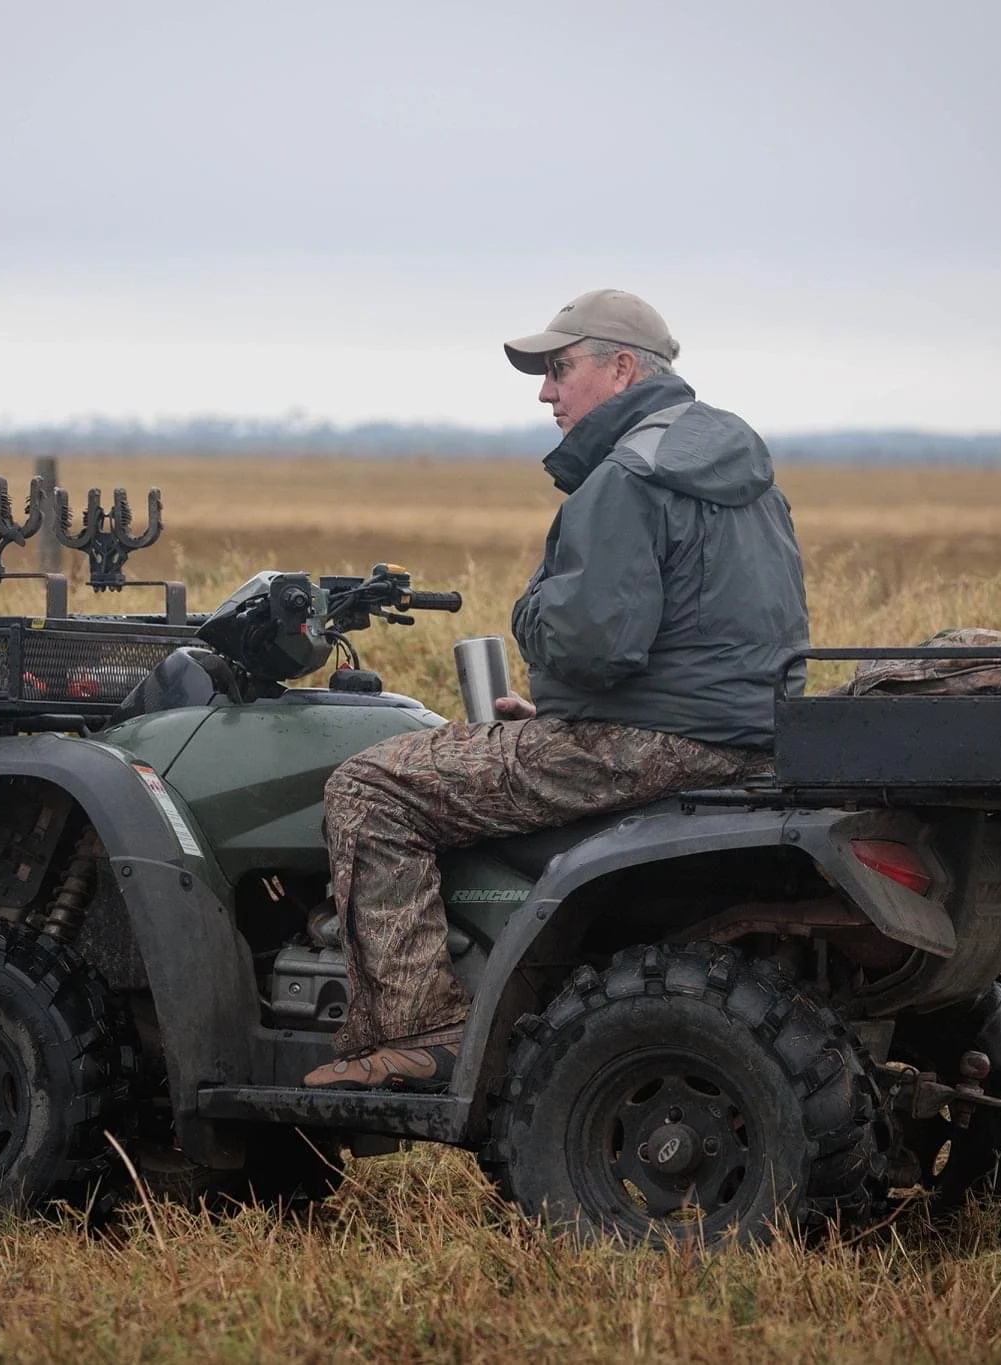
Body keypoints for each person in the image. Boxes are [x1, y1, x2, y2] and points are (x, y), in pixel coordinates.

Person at [304, 289, 810, 1090]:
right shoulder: (742, 470)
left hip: (654, 746)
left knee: (371, 787)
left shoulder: (627, 475)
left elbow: (594, 641)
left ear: (619, 368)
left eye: (558, 368)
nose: (545, 391)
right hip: (745, 734)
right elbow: (705, 636)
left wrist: (529, 613)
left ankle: (423, 1031)